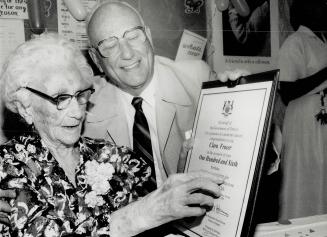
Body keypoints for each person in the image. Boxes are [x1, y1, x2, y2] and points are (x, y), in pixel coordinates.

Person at [0, 33, 223, 236]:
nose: (78, 112)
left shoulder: (112, 156)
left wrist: (186, 178)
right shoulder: (7, 168)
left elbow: (168, 216)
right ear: (25, 107)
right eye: (60, 98)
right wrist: (145, 213)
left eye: (80, 95)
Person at [84, 1, 247, 188]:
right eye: (109, 45)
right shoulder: (84, 108)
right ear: (96, 59)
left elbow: (244, 156)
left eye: (134, 36)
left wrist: (248, 103)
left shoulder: (197, 80)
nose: (127, 53)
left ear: (149, 37)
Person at [278, 0, 327, 220]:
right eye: (320, 3)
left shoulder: (324, 40)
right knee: (305, 177)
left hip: (322, 124)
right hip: (304, 124)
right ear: (304, 9)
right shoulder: (294, 41)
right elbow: (287, 91)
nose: (324, 8)